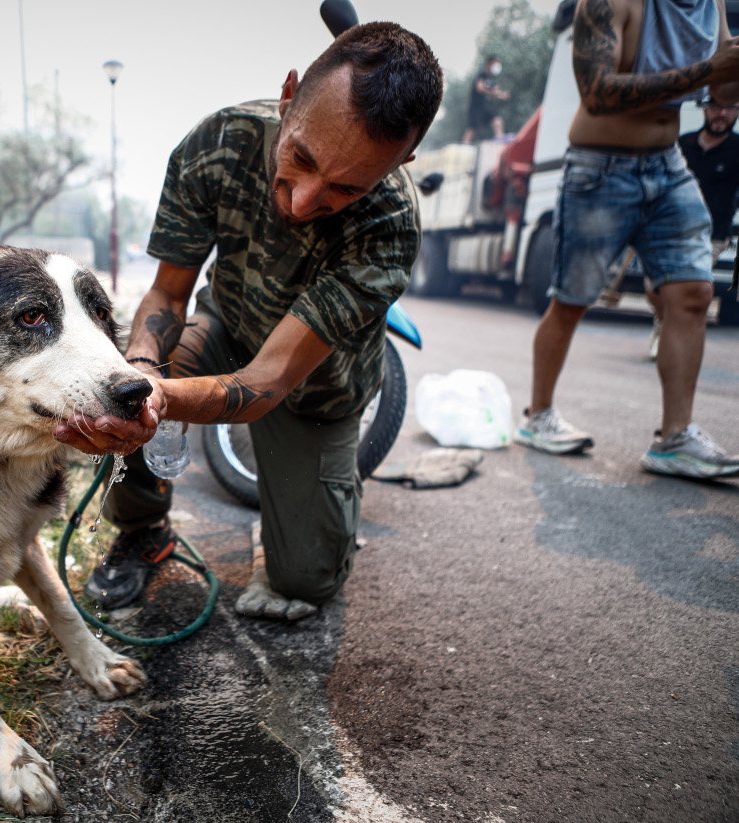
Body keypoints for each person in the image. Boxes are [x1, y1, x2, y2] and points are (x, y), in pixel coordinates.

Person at [52, 22, 444, 621]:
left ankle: (303, 520)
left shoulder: (391, 225)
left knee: (305, 583)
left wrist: (157, 398)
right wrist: (139, 380)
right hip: (226, 324)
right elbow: (166, 295)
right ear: (288, 97)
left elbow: (270, 380)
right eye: (300, 158)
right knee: (124, 389)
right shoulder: (218, 144)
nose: (304, 200)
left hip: (316, 385)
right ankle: (143, 528)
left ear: (401, 161)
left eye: (344, 187)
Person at [515, 0, 739, 478]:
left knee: (694, 293)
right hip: (600, 164)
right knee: (573, 300)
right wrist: (707, 70)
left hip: (667, 164)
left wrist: (729, 71)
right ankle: (538, 417)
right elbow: (597, 92)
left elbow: (722, 85)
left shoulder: (711, 4)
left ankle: (674, 439)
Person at [646, 95, 739, 358]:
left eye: (730, 108)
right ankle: (664, 325)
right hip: (670, 230)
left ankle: (669, 341)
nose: (722, 113)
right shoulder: (682, 144)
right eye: (716, 107)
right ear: (704, 109)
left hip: (711, 235)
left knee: (686, 288)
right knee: (655, 289)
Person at [462, 55, 510, 144]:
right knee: (472, 129)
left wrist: (502, 95)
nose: (498, 66)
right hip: (475, 108)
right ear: (490, 63)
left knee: (498, 121)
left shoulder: (489, 79)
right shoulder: (482, 74)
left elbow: (493, 92)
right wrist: (493, 91)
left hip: (483, 108)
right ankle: (464, 146)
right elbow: (479, 88)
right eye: (496, 63)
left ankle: (499, 139)